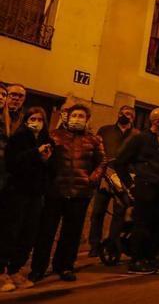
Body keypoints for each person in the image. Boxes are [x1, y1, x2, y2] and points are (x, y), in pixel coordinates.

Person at [30, 104, 105, 283]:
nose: (77, 119)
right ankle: (38, 268)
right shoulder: (54, 136)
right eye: (74, 115)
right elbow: (45, 161)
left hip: (80, 194)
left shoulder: (94, 140)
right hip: (55, 192)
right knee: (46, 232)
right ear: (67, 117)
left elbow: (102, 162)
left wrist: (91, 180)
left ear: (87, 120)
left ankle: (65, 266)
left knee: (71, 233)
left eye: (81, 116)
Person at [115, 107, 159, 274]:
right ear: (157, 122)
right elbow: (120, 161)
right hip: (145, 186)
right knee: (141, 224)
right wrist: (129, 184)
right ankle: (137, 259)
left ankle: (151, 257)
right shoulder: (140, 139)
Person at [0, 107, 52, 292]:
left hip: (36, 194)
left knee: (28, 234)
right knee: (10, 232)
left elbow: (50, 169)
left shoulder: (47, 140)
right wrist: (35, 153)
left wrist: (46, 160)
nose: (36, 122)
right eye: (33, 118)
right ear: (26, 120)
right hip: (17, 192)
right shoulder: (18, 138)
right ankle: (1, 271)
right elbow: (12, 163)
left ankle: (15, 269)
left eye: (40, 119)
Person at [89, 105, 138, 257]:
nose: (125, 116)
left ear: (133, 117)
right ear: (118, 114)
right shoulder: (105, 130)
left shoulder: (137, 135)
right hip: (105, 175)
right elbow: (96, 150)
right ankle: (95, 245)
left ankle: (112, 245)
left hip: (124, 178)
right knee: (98, 211)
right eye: (122, 113)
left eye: (129, 114)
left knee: (119, 212)